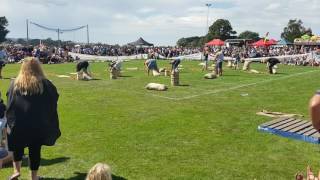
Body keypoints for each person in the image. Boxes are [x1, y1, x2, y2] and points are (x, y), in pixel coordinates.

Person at [6, 58, 61, 180]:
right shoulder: (45, 84)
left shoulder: (14, 84)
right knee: (35, 149)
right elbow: (54, 98)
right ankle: (34, 177)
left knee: (17, 146)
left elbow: (10, 102)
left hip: (18, 123)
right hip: (37, 124)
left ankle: (16, 171)